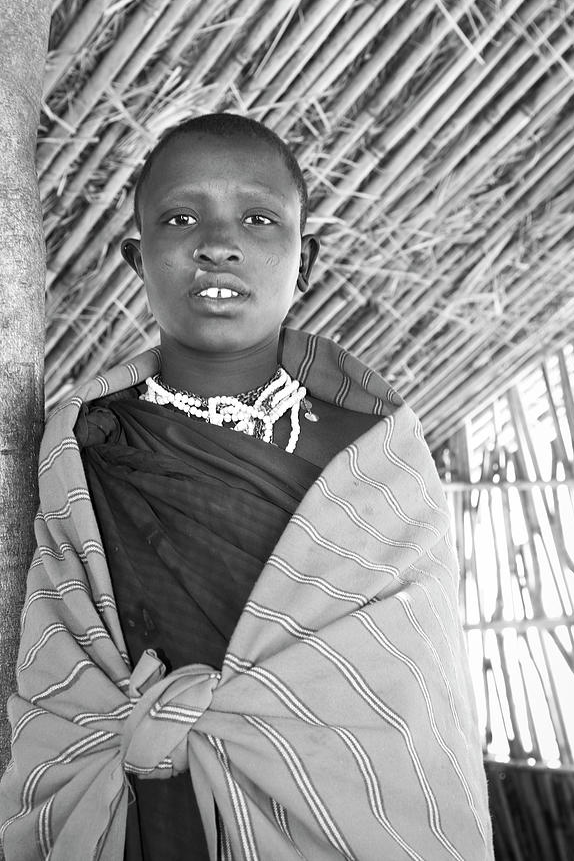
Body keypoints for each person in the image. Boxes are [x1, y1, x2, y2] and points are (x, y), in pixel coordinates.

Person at [0, 114, 493, 860]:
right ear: (138, 258)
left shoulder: (372, 451)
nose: (217, 243)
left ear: (306, 259)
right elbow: (57, 674)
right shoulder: (86, 440)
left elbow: (405, 708)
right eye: (179, 217)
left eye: (258, 218)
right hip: (124, 817)